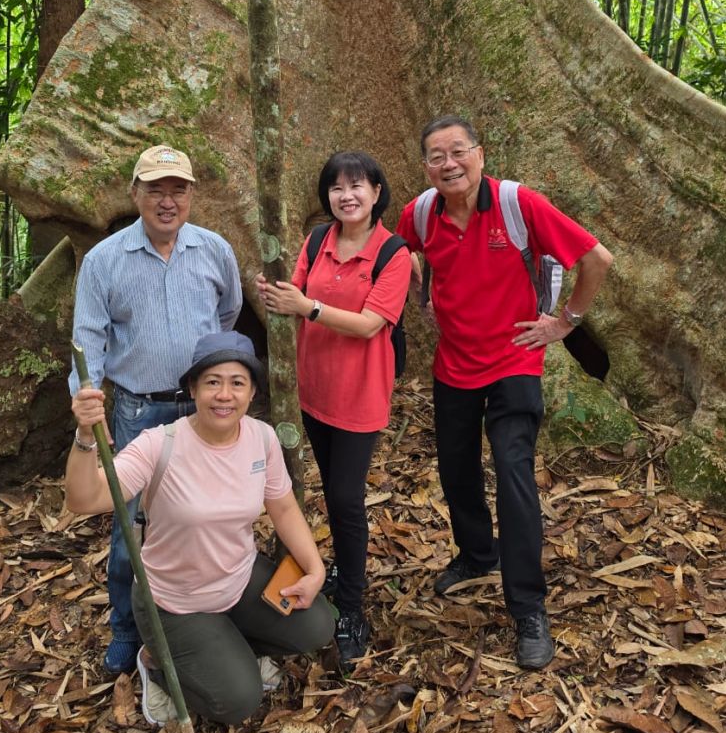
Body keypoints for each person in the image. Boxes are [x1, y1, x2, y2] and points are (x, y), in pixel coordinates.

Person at [396, 116, 613, 670]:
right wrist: (425, 299)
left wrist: (565, 322)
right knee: (455, 468)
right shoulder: (422, 212)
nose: (449, 164)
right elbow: (404, 253)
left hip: (516, 358)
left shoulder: (518, 205)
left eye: (458, 151)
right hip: (454, 363)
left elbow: (597, 259)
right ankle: (476, 555)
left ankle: (528, 607)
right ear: (425, 167)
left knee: (514, 475)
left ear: (480, 155)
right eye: (436, 156)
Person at [66, 331, 335, 726]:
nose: (224, 395)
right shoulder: (160, 445)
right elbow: (84, 500)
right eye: (212, 382)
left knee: (317, 625)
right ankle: (155, 664)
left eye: (237, 383)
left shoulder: (261, 438)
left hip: (239, 579)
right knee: (239, 700)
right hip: (175, 600)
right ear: (193, 388)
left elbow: (282, 506)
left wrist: (315, 569)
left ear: (251, 392)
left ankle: (226, 650)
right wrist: (86, 437)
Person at [69, 143, 242, 676]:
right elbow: (88, 341)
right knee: (130, 527)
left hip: (202, 408)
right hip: (139, 411)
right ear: (135, 193)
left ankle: (209, 617)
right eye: (155, 189)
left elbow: (229, 314)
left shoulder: (214, 250)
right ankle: (127, 627)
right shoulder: (105, 260)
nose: (167, 201)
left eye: (178, 190)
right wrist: (87, 403)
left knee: (206, 515)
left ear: (192, 195)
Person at [256, 152, 411, 669]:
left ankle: (351, 607)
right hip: (313, 391)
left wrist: (308, 309)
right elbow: (296, 293)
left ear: (376, 192)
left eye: (357, 186)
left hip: (360, 396)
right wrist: (277, 295)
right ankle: (331, 572)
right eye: (336, 188)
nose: (346, 195)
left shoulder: (393, 252)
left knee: (345, 500)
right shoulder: (319, 240)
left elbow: (371, 324)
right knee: (321, 488)